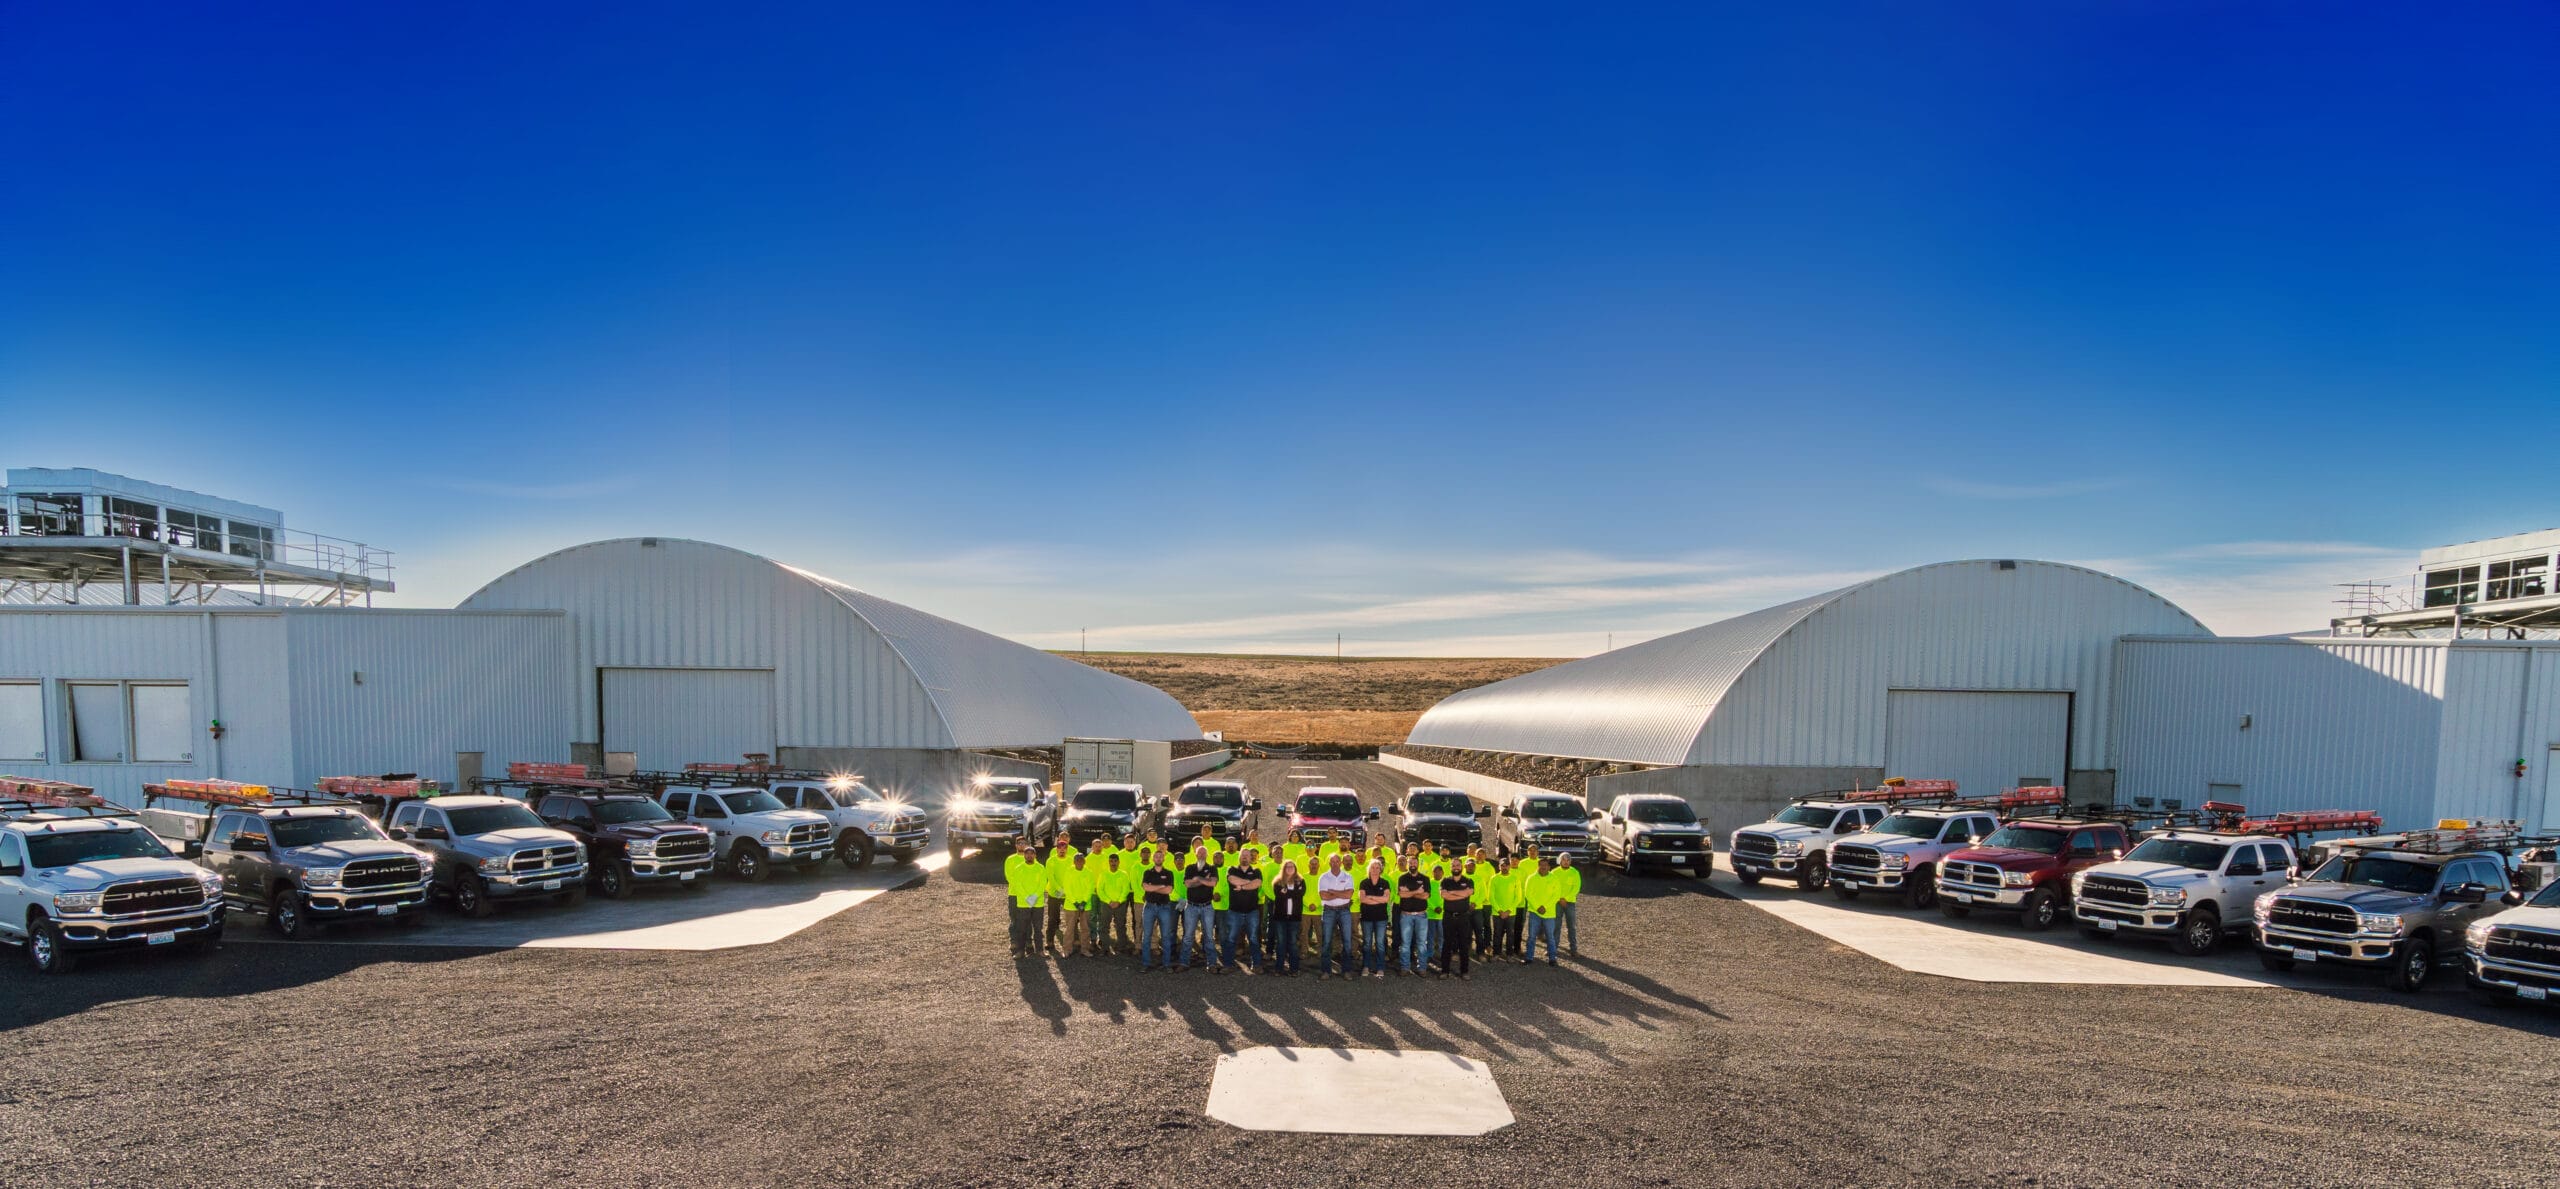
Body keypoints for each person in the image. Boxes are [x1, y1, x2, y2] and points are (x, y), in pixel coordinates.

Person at [1221, 843, 1264, 973]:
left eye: (1247, 855)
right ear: (1239, 857)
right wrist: (1249, 882)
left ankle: (1256, 965)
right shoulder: (1232, 869)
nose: (1245, 857)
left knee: (1253, 939)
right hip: (1235, 911)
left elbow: (1257, 883)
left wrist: (1243, 886)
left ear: (1251, 858)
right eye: (1242, 855)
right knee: (1231, 939)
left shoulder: (1256, 871)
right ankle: (1228, 965)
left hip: (1252, 911)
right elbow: (1232, 879)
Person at [1179, 844, 1220, 972]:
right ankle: (1184, 963)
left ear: (1207, 855)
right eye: (1199, 853)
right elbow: (1187, 884)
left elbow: (1213, 883)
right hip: (1191, 906)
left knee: (1208, 936)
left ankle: (1212, 963)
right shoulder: (1190, 868)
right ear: (1196, 854)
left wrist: (1197, 879)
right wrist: (1204, 880)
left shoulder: (1212, 868)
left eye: (1204, 853)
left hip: (1207, 907)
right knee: (1188, 936)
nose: (1201, 855)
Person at [1317, 854, 1357, 978]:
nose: (1334, 863)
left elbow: (1349, 895)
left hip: (1344, 911)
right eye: (1332, 861)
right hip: (1329, 911)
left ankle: (1346, 971)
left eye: (1337, 861)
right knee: (1327, 941)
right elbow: (1323, 896)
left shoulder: (1348, 876)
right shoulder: (1323, 877)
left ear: (1341, 863)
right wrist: (1341, 893)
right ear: (1329, 863)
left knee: (1347, 941)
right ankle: (1326, 971)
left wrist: (1332, 891)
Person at [1003, 843, 1047, 958]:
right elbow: (1017, 885)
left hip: (1038, 903)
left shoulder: (1040, 868)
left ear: (1035, 855)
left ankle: (1040, 950)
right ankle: (1020, 951)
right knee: (1022, 928)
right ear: (1024, 856)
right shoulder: (1019, 869)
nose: (1029, 856)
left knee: (1038, 928)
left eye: (1031, 854)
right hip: (1023, 903)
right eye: (1027, 854)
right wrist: (1027, 897)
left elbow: (1042, 884)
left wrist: (1035, 896)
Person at [1138, 852, 1179, 971]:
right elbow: (1146, 887)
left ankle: (1166, 964)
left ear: (1164, 858)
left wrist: (1153, 888)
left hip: (1164, 907)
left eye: (1161, 856)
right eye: (1156, 856)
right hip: (1149, 907)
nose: (1158, 858)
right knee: (1147, 936)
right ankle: (1146, 964)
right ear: (1153, 858)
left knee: (1166, 936)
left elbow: (1169, 890)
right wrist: (1161, 886)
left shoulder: (1169, 873)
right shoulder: (1148, 872)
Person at [1437, 858, 1476, 979]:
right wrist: (1461, 893)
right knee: (1447, 944)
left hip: (1463, 917)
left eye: (1458, 865)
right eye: (1453, 865)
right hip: (1449, 917)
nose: (1456, 867)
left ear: (1462, 866)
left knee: (1464, 945)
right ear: (1450, 867)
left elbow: (1468, 893)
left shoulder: (1468, 880)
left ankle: (1464, 972)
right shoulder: (1445, 881)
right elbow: (1444, 895)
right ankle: (1445, 971)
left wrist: (1452, 893)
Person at [1395, 856, 1432, 975]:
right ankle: (1405, 967)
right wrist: (1417, 891)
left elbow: (1426, 896)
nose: (1412, 864)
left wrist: (1409, 892)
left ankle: (1422, 968)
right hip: (1406, 915)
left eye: (1414, 862)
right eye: (1410, 862)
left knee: (1421, 943)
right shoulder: (1402, 878)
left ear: (1418, 864)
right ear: (1407, 864)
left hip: (1421, 915)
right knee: (1405, 943)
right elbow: (1402, 894)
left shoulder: (1425, 879)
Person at [1266, 861, 1304, 976]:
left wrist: (1287, 892)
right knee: (1281, 943)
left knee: (1293, 943)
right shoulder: (1278, 882)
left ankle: (1294, 969)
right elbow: (1280, 896)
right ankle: (1279, 968)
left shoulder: (1301, 881)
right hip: (1280, 918)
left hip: (1294, 918)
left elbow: (1300, 895)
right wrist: (1292, 893)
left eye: (1292, 866)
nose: (1289, 868)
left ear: (1295, 868)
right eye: (1287, 866)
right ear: (1283, 868)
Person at [1521, 855, 1561, 965]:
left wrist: (1545, 907)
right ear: (1537, 866)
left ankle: (1552, 959)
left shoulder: (1554, 878)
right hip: (1535, 912)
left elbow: (1556, 895)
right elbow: (1528, 894)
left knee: (1550, 937)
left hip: (1549, 913)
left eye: (1545, 865)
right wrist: (1538, 906)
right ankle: (1529, 958)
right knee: (1531, 936)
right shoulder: (1531, 878)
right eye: (1541, 865)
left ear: (1549, 867)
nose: (1543, 867)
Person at [1357, 860, 1393, 979]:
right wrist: (1379, 899)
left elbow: (1386, 899)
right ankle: (1366, 966)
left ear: (1380, 869)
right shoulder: (1364, 883)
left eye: (1377, 867)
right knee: (1367, 943)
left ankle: (1380, 967)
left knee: (1380, 944)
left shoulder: (1385, 883)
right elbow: (1362, 899)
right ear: (1369, 868)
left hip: (1381, 918)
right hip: (1366, 917)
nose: (1375, 869)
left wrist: (1371, 897)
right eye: (1373, 867)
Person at [1485, 852, 1522, 962]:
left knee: (1510, 934)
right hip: (1498, 912)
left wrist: (1509, 910)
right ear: (1499, 866)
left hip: (1511, 912)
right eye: (1502, 865)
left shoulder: (1515, 878)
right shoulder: (1494, 879)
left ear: (1509, 866)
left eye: (1506, 865)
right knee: (1497, 933)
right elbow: (1490, 896)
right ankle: (1496, 953)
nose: (1504, 867)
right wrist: (1500, 910)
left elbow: (1518, 896)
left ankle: (1509, 954)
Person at [1095, 850, 1133, 956]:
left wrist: (1119, 901)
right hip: (1106, 904)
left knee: (1120, 925)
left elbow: (1126, 889)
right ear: (1108, 862)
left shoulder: (1124, 874)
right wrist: (1108, 901)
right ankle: (1105, 947)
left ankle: (1121, 947)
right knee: (1104, 926)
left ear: (1119, 862)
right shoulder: (1103, 874)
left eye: (1115, 861)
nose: (1113, 863)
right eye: (1111, 861)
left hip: (1120, 904)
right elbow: (1099, 889)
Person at [1041, 837, 1075, 955]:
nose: (1062, 850)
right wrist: (1059, 889)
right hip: (1054, 893)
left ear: (1067, 850)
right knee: (1052, 918)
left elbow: (1071, 877)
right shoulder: (1051, 861)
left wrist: (1065, 890)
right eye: (1060, 848)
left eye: (1064, 848)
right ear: (1056, 850)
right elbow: (1050, 877)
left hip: (1067, 894)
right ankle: (1049, 941)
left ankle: (1073, 940)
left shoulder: (1071, 860)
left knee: (1071, 919)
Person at [1060, 852, 1096, 957]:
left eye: (1081, 860)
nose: (1079, 862)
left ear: (1084, 861)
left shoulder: (1089, 872)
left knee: (1085, 929)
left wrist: (1084, 902)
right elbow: (1067, 888)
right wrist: (1076, 902)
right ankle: (1067, 949)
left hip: (1086, 905)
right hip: (1071, 905)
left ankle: (1085, 949)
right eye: (1077, 860)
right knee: (1070, 928)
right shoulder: (1068, 872)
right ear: (1074, 862)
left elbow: (1090, 888)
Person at [1554, 852, 1582, 958]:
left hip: (1570, 902)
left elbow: (1576, 888)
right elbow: (1553, 887)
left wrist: (1565, 899)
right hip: (1557, 902)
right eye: (1564, 860)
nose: (1566, 862)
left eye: (1568, 860)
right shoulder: (1554, 872)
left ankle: (1573, 949)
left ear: (1570, 861)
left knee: (1571, 926)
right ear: (1560, 861)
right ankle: (1553, 948)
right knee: (1556, 926)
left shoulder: (1574, 872)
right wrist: (1559, 899)